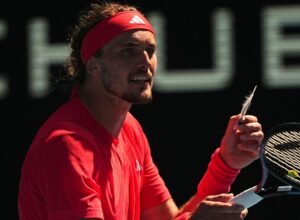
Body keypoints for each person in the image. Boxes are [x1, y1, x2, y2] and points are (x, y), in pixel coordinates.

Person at [18, 1, 264, 220]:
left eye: (150, 51)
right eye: (129, 50)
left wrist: (226, 164)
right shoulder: (67, 148)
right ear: (93, 65)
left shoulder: (129, 129)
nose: (146, 62)